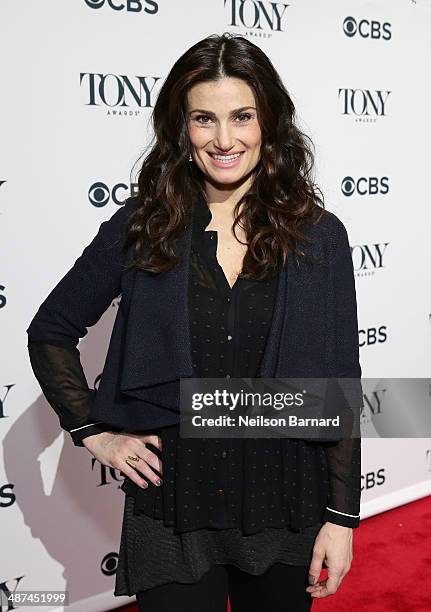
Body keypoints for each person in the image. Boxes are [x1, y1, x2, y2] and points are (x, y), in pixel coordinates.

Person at [26, 32, 362, 611]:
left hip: (283, 504)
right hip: (172, 513)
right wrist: (94, 432)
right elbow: (51, 331)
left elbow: (339, 386)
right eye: (205, 119)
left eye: (243, 116)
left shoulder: (319, 237)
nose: (224, 139)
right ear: (181, 128)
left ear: (269, 123)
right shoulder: (142, 225)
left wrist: (341, 517)